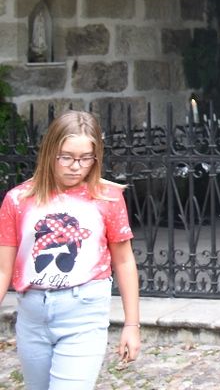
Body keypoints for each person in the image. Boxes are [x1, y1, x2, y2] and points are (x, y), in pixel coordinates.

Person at [0, 110, 142, 389]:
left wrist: (131, 325)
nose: (76, 166)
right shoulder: (18, 200)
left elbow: (124, 262)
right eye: (66, 156)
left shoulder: (107, 198)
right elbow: (4, 267)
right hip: (33, 316)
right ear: (49, 152)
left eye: (85, 158)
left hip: (84, 313)